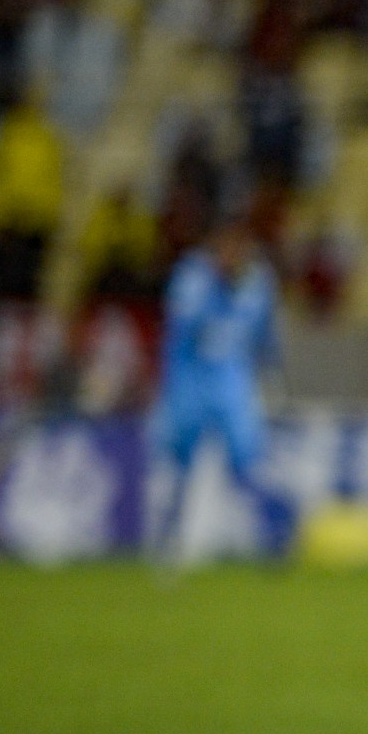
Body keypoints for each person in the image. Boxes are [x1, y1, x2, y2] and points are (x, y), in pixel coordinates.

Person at [151, 216, 294, 565]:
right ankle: (168, 540)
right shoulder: (192, 276)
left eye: (239, 248)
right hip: (190, 378)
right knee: (179, 460)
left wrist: (272, 374)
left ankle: (266, 540)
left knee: (247, 457)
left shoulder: (258, 281)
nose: (232, 256)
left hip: (234, 379)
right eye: (226, 247)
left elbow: (266, 333)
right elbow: (180, 329)